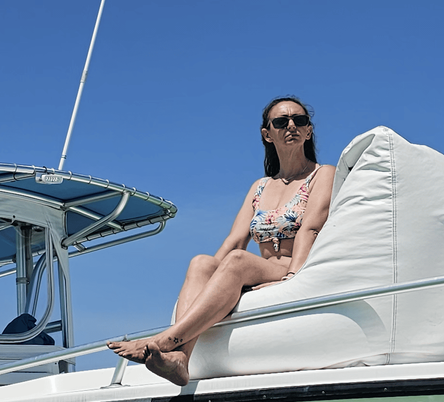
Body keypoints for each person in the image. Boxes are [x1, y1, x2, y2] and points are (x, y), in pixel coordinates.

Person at [110, 97, 333, 386]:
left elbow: (311, 228)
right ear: (268, 134)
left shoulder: (321, 174)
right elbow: (234, 241)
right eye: (281, 122)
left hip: (293, 266)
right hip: (260, 269)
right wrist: (210, 275)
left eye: (299, 120)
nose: (291, 125)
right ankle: (181, 359)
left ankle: (165, 340)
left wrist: (293, 277)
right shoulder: (260, 187)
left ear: (308, 131)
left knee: (237, 261)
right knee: (202, 262)